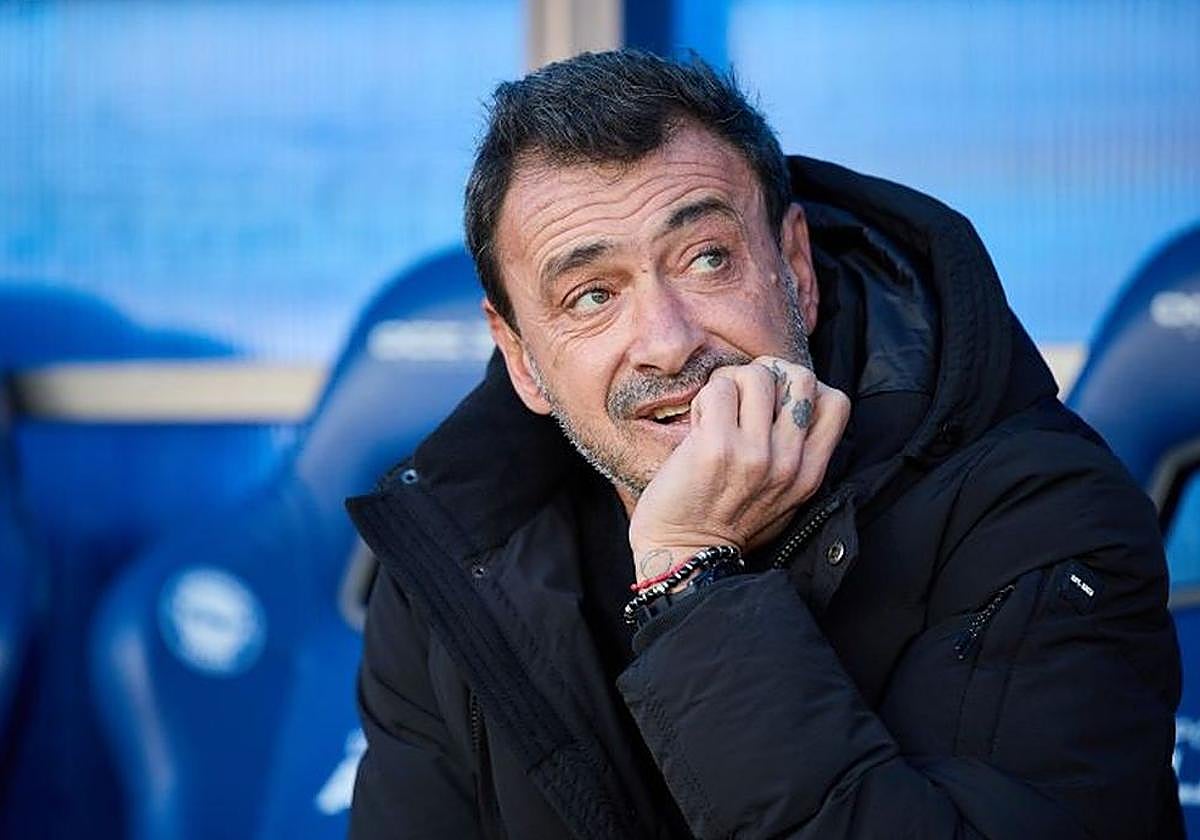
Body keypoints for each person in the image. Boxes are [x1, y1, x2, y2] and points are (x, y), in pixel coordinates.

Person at [345, 50, 1182, 839]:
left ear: (796, 269)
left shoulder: (1048, 516)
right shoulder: (451, 565)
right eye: (593, 295)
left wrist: (689, 580)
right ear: (522, 359)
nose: (667, 342)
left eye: (707, 258)